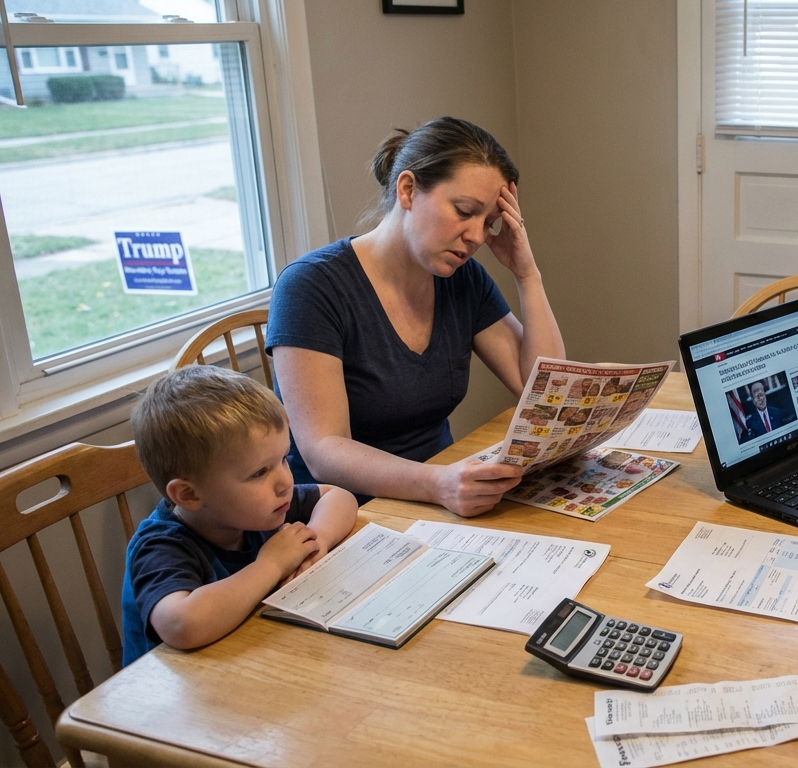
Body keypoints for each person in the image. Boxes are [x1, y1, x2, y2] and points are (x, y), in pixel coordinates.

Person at [267, 117, 565, 518]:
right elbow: (324, 451)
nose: (477, 236)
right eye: (464, 211)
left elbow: (548, 397)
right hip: (339, 516)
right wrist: (437, 483)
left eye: (489, 222)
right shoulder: (311, 287)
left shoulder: (462, 279)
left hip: (438, 499)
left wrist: (527, 274)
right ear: (407, 190)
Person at [122, 366, 359, 665]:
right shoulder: (161, 546)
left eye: (283, 459)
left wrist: (318, 539)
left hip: (250, 659)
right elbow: (182, 625)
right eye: (259, 472)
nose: (285, 481)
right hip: (175, 699)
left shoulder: (255, 508)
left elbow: (338, 497)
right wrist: (271, 564)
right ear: (189, 495)